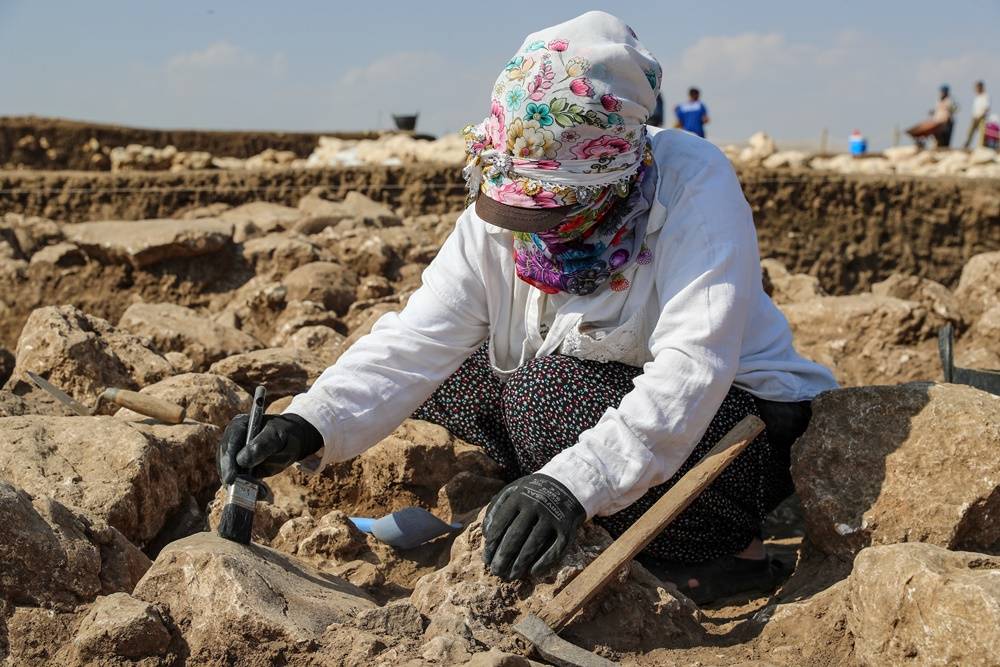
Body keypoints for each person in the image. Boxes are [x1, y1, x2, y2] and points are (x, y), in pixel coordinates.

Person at [216, 11, 838, 604]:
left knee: (546, 394)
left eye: (551, 206)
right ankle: (566, 495)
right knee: (452, 380)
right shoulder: (502, 195)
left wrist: (573, 484)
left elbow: (692, 369)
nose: (527, 228)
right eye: (518, 207)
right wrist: (306, 423)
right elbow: (417, 339)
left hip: (740, 432)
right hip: (584, 396)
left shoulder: (693, 184)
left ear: (614, 177)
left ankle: (728, 557)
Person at [964, 81, 991, 149]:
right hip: (975, 117)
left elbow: (986, 108)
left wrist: (981, 116)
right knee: (970, 132)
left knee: (982, 132)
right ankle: (966, 145)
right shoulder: (977, 97)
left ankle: (981, 146)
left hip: (981, 117)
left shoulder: (985, 96)